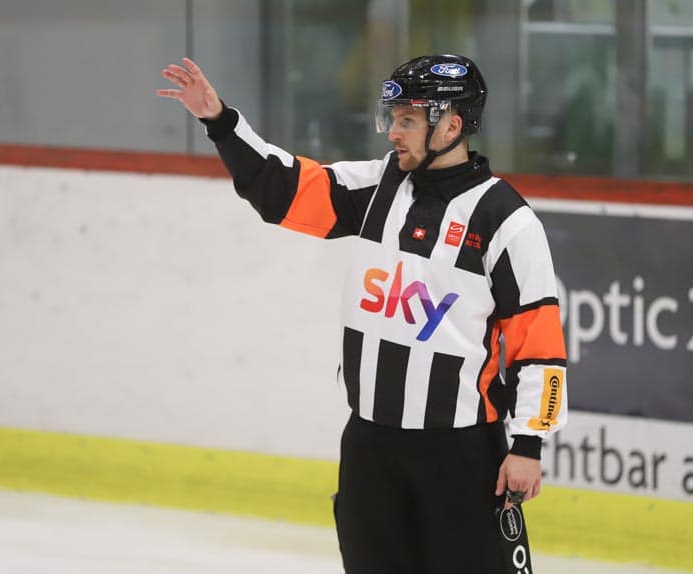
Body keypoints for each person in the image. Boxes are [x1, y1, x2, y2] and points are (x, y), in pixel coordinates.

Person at [158, 54, 568, 573]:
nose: (393, 132)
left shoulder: (506, 220)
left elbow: (540, 346)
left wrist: (529, 443)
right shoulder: (379, 186)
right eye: (392, 118)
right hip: (371, 447)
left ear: (451, 125)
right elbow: (282, 190)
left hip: (461, 454)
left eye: (408, 120)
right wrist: (219, 121)